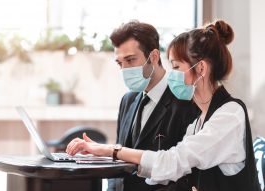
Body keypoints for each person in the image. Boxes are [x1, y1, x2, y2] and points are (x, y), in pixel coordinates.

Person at [66, 20, 261, 191]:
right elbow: (167, 169)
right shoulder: (199, 121)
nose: (172, 74)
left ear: (200, 68)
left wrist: (111, 150)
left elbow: (173, 161)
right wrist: (106, 157)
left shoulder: (229, 115)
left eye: (176, 67)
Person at [93, 21, 200, 191]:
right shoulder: (128, 101)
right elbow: (119, 163)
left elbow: (189, 174)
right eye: (120, 63)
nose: (124, 69)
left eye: (130, 60)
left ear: (154, 57)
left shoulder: (185, 102)